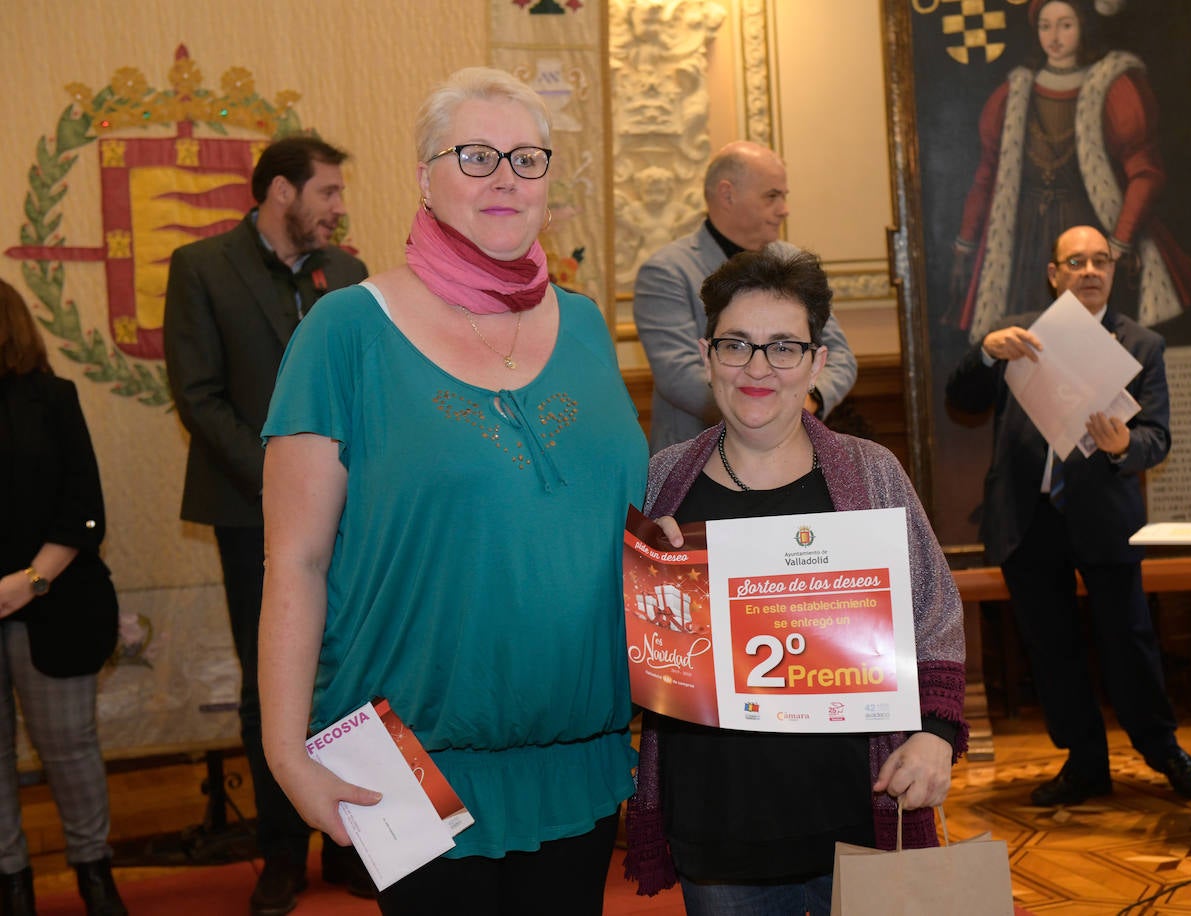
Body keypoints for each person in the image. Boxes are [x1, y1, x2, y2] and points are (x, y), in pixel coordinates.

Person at [257, 67, 647, 916]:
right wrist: (287, 757)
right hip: (407, 761)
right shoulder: (345, 332)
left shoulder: (585, 323)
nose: (505, 177)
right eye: (475, 156)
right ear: (424, 178)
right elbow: (295, 562)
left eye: (527, 158)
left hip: (577, 750)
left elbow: (614, 520)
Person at [624, 248, 968, 914]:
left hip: (861, 819)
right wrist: (649, 581)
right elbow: (642, 656)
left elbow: (935, 614)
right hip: (718, 832)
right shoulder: (663, 481)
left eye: (784, 347)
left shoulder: (871, 474)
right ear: (706, 356)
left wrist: (934, 735)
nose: (758, 369)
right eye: (736, 345)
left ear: (816, 361)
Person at [162, 135, 372, 915]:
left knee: (349, 671)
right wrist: (286, 483)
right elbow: (199, 396)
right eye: (327, 193)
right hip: (250, 511)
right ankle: (281, 851)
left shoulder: (347, 274)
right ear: (281, 191)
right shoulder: (201, 268)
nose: (339, 207)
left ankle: (351, 839)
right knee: (272, 681)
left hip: (350, 513)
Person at [945, 225, 1191, 807]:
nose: (1090, 271)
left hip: (1104, 516)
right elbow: (961, 399)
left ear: (1113, 271)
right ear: (1053, 273)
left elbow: (1157, 438)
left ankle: (1162, 748)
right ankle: (1085, 762)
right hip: (1027, 516)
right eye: (1076, 262)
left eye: (1100, 261)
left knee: (1129, 640)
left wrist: (1124, 445)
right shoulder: (1019, 334)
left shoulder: (1142, 344)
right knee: (1052, 647)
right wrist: (985, 351)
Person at [947, 0, 1191, 343]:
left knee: (1098, 338)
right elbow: (987, 174)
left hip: (1091, 228)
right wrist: (966, 240)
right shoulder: (1015, 92)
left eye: (1065, 25)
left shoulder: (1113, 85)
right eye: (1045, 26)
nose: (1054, 37)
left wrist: (1119, 241)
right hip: (1028, 238)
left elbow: (1145, 174)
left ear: (1083, 26)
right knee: (1031, 340)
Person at [0, 279, 125, 916]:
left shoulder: (52, 398)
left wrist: (27, 582)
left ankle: (93, 872)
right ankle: (11, 881)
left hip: (54, 605)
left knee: (69, 749)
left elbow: (84, 510)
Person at [634, 140, 858, 453]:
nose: (784, 209)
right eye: (772, 196)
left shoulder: (794, 263)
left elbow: (840, 357)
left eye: (783, 196)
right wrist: (770, 407)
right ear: (727, 195)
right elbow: (680, 377)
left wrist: (808, 401)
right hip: (697, 460)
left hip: (794, 454)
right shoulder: (667, 271)